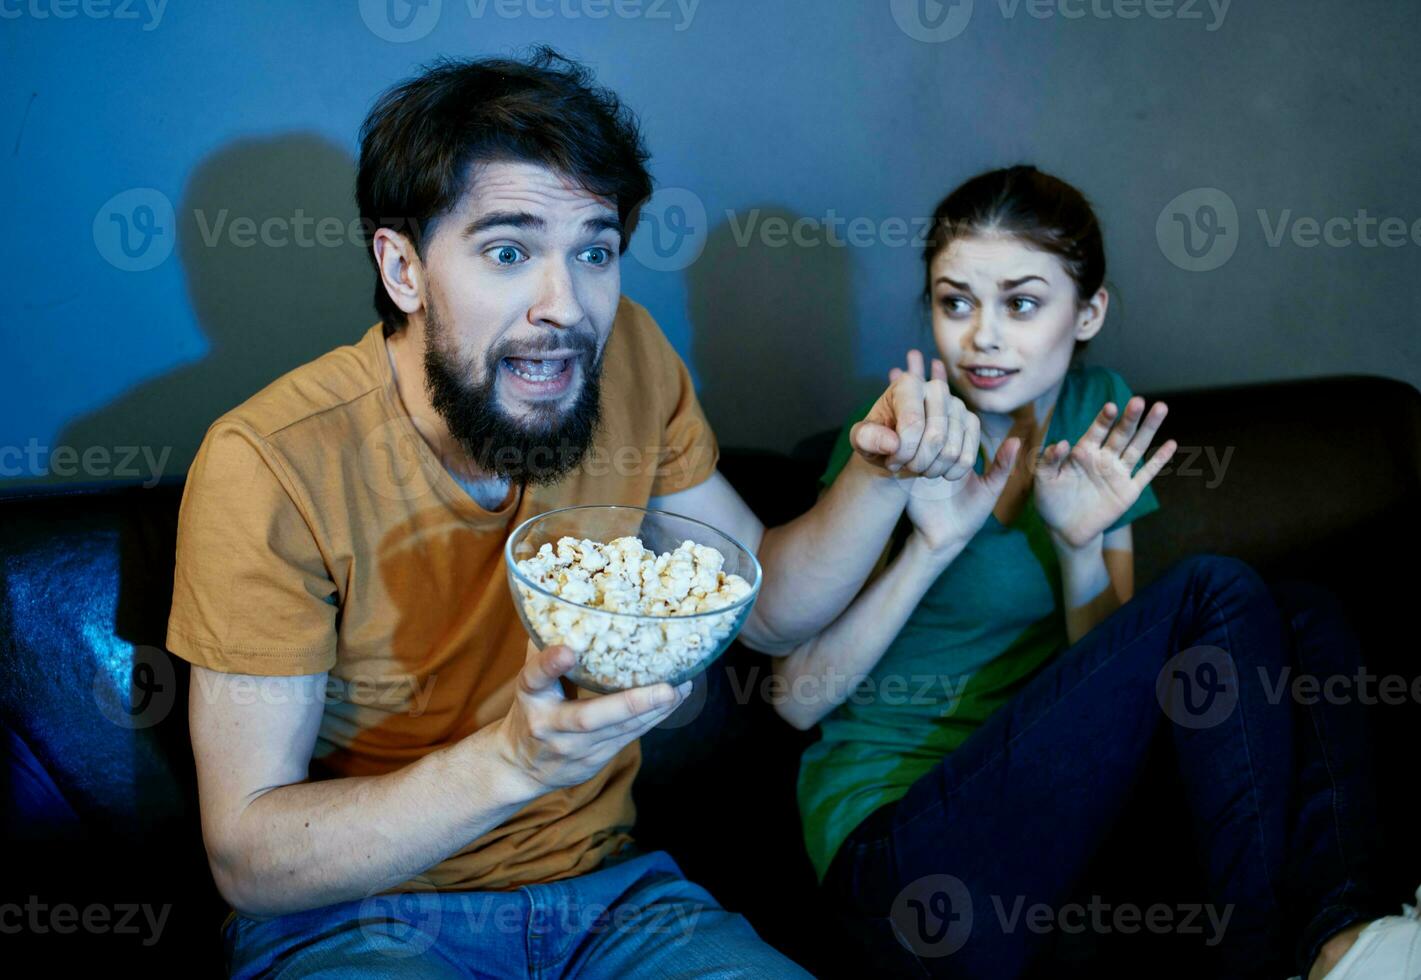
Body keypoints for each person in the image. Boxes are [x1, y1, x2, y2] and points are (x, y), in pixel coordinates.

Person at [166, 48, 979, 978]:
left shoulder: (627, 356)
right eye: (508, 251)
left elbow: (764, 608)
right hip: (358, 922)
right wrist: (511, 762)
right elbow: (247, 857)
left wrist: (878, 479)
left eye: (593, 251)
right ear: (402, 268)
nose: (566, 307)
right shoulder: (268, 464)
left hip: (612, 901)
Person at [778, 165, 1421, 978]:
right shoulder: (898, 436)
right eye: (954, 301)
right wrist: (929, 546)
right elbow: (794, 700)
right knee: (1213, 587)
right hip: (904, 850)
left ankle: (1346, 938)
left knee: (1303, 610)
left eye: (1019, 303)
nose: (982, 337)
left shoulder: (1096, 411)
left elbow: (1111, 678)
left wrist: (1079, 540)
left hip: (1056, 813)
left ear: (1087, 312)